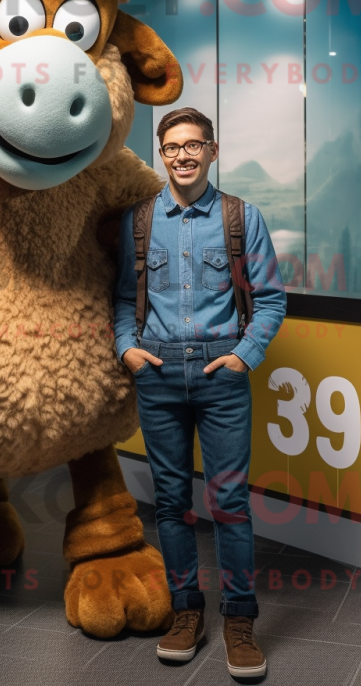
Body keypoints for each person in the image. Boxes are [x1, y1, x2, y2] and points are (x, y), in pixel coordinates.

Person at [113, 107, 286, 678]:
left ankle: (239, 620)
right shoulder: (138, 220)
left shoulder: (242, 217)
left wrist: (243, 357)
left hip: (221, 376)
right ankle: (186, 611)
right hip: (158, 374)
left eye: (193, 146)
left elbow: (271, 300)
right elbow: (119, 297)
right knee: (170, 503)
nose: (182, 156)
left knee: (230, 504)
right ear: (161, 155)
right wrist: (126, 348)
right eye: (172, 148)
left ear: (213, 150)